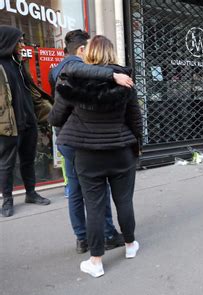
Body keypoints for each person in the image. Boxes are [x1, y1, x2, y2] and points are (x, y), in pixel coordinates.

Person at [49, 35, 142, 278]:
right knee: (124, 201)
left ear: (87, 53)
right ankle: (130, 245)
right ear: (111, 53)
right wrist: (137, 147)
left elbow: (56, 118)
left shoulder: (74, 81)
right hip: (121, 151)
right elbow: (135, 119)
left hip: (88, 156)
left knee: (94, 206)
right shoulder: (125, 81)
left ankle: (96, 260)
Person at [0, 26, 52, 217]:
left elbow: (30, 91)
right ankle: (7, 200)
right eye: (18, 42)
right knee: (6, 163)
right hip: (9, 125)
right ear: (7, 42)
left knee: (28, 159)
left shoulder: (19, 63)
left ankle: (31, 193)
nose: (22, 45)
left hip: (28, 121)